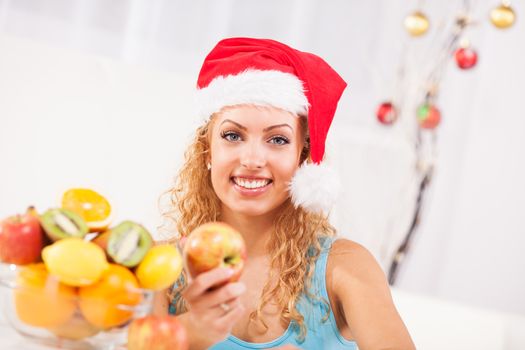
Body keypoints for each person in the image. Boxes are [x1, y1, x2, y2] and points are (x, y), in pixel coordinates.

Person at [154, 37, 415, 350]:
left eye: (277, 140)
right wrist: (191, 331)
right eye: (233, 135)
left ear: (301, 159)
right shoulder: (160, 268)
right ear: (207, 150)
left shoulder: (343, 267)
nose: (251, 160)